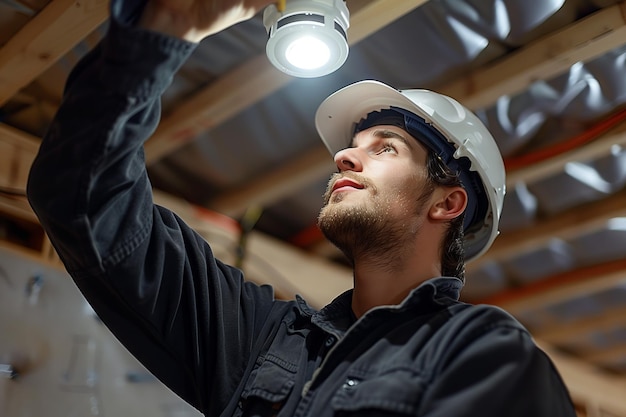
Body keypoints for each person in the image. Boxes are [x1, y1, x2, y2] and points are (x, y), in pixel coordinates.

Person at [27, 0, 577, 416]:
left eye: (385, 146)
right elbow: (81, 197)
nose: (344, 156)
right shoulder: (264, 339)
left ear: (448, 202)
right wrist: (167, 25)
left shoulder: (481, 350)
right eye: (351, 146)